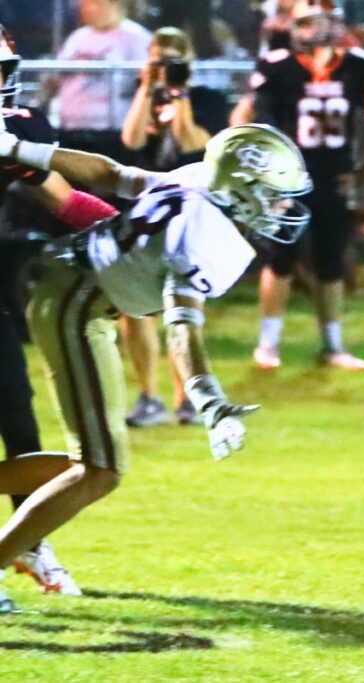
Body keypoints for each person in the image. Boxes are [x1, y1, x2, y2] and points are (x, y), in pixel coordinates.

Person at [0, 123, 308, 611]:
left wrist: (19, 147)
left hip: (71, 284)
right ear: (244, 190)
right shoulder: (212, 236)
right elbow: (182, 326)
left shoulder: (200, 180)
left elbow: (111, 173)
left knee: (92, 465)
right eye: (274, 196)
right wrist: (208, 398)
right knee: (98, 470)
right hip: (77, 302)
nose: (283, 208)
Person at [0, 23, 123, 598]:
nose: (1, 83)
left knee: (19, 425)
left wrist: (134, 235)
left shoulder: (15, 133)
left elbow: (66, 198)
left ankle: (27, 541)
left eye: (3, 71)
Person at [250, 0, 364, 370]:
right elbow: (263, 124)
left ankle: (333, 346)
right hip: (289, 177)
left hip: (334, 174)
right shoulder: (276, 66)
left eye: (314, 21)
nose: (307, 30)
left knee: (331, 260)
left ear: (332, 22)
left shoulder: (359, 67)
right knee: (280, 257)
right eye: (302, 22)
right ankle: (268, 343)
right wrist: (272, 177)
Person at [120, 26, 230, 427]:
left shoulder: (207, 99)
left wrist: (180, 94)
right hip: (147, 210)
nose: (165, 64)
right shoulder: (143, 96)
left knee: (183, 307)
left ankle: (187, 398)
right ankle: (149, 397)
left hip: (189, 210)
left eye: (173, 57)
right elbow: (130, 140)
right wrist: (146, 89)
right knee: (135, 310)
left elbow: (191, 143)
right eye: (158, 56)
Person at [42, 0, 151, 161]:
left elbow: (144, 82)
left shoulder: (137, 37)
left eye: (93, 3)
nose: (86, 9)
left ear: (114, 4)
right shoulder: (78, 37)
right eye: (83, 5)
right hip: (70, 129)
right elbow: (56, 78)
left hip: (112, 131)